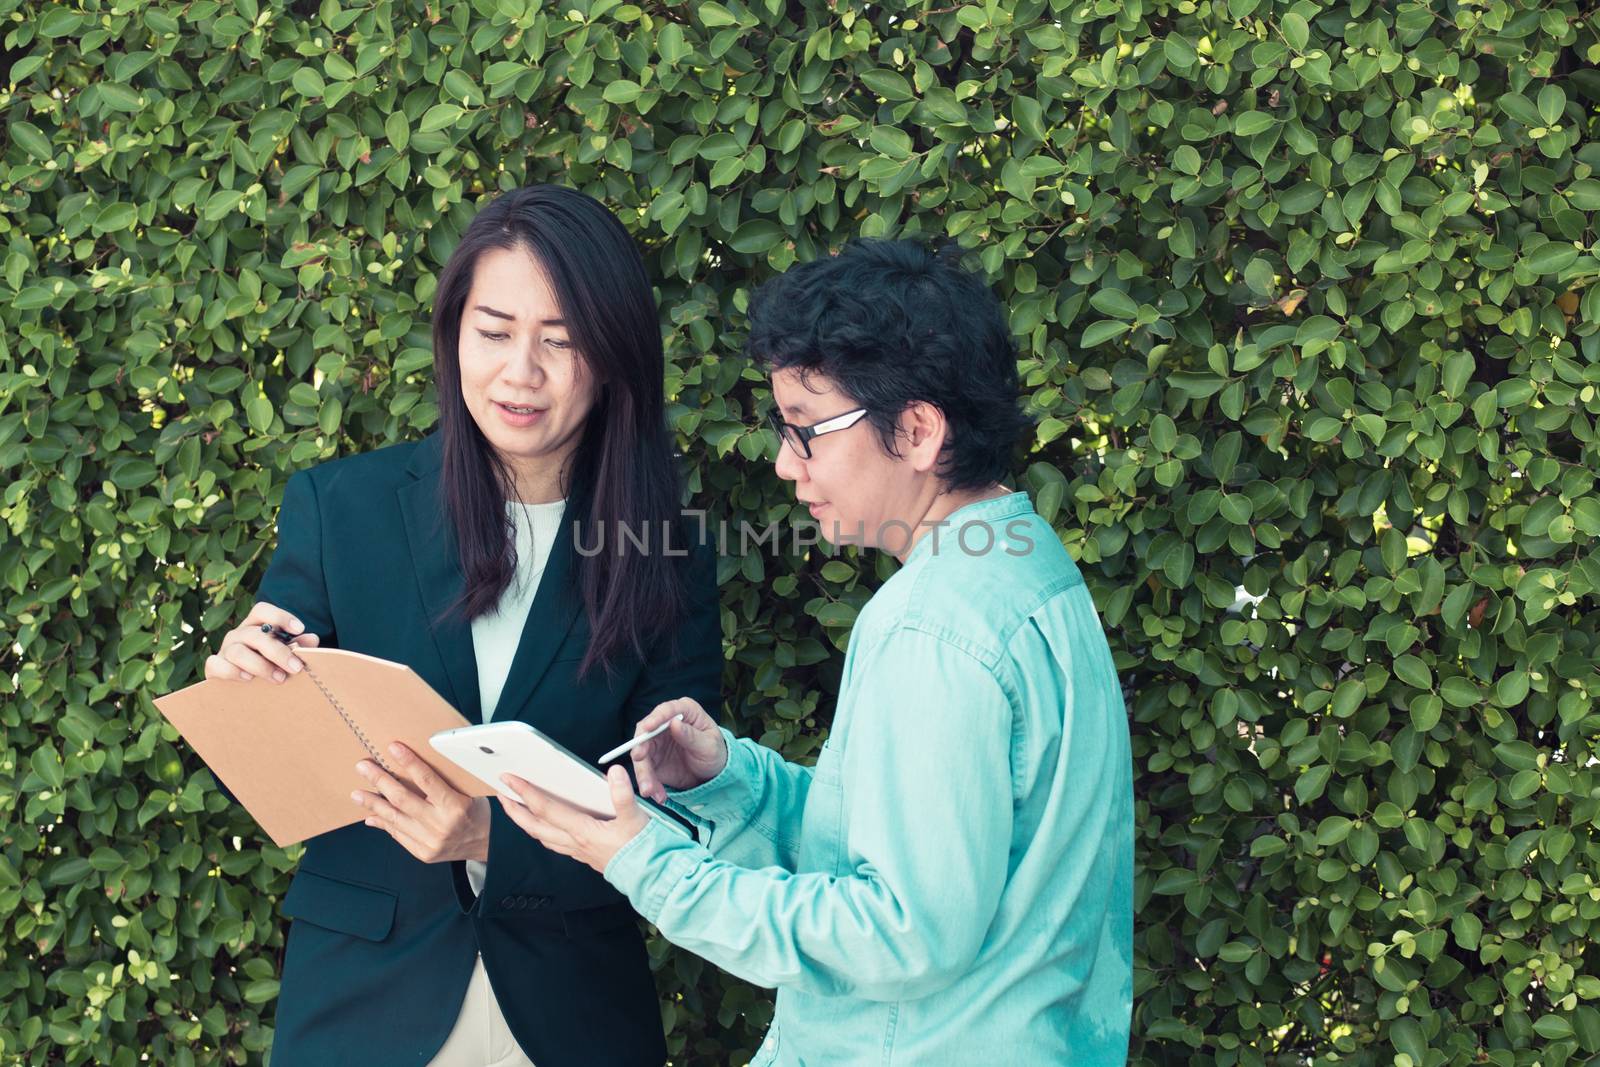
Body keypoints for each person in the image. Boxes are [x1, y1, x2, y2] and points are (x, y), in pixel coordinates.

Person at [498, 238, 1135, 1065]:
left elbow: (903, 933)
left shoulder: (929, 626)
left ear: (915, 430)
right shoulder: (1028, 566)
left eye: (805, 429)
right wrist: (733, 779)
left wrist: (644, 861)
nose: (781, 461)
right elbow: (919, 848)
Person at [204, 185, 721, 1067]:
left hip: (574, 1010)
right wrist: (248, 687)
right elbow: (276, 759)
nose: (522, 372)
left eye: (561, 341)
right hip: (364, 1006)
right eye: (494, 331)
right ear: (452, 335)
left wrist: (491, 837)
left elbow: (686, 827)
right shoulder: (343, 506)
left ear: (612, 359)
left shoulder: (665, 550)